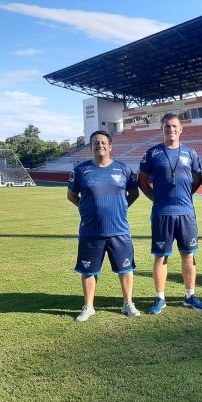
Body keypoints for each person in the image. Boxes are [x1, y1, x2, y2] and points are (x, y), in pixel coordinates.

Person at [67, 130, 140, 322]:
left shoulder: (124, 169)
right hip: (91, 230)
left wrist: (120, 208)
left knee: (125, 269)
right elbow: (71, 196)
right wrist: (86, 208)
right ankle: (89, 306)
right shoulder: (81, 171)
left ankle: (127, 304)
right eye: (96, 143)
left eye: (103, 142)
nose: (100, 145)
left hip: (119, 230)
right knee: (88, 270)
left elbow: (134, 194)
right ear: (91, 147)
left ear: (110, 146)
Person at [138, 113, 202, 313]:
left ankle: (190, 295)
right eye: (167, 126)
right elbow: (141, 180)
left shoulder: (190, 153)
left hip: (186, 212)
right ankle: (160, 298)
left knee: (188, 255)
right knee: (161, 257)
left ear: (181, 129)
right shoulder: (152, 153)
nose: (171, 130)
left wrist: (187, 193)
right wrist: (154, 197)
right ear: (162, 129)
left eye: (175, 126)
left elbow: (198, 177)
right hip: (162, 213)